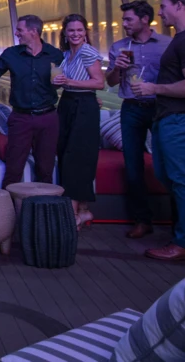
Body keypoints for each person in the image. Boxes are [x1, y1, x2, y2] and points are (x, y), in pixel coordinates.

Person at [131, 0, 185, 262]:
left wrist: (153, 88)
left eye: (163, 6)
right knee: (169, 177)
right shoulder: (182, 40)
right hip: (171, 118)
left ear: (180, 6)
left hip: (180, 119)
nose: (158, 12)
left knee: (183, 181)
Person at [0, 15, 64, 189]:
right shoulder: (11, 54)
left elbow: (71, 78)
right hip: (21, 119)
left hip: (48, 118)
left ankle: (42, 213)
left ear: (34, 32)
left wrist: (92, 96)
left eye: (20, 30)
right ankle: (10, 213)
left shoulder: (55, 55)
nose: (16, 33)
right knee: (13, 170)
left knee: (46, 169)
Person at [106, 0, 171, 239]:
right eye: (123, 20)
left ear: (145, 19)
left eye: (128, 19)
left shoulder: (168, 45)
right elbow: (111, 82)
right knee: (133, 167)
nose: (123, 24)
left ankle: (179, 222)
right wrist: (118, 69)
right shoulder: (119, 47)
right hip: (131, 109)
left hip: (161, 108)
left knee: (167, 163)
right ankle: (142, 220)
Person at [51, 14, 105, 230]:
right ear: (64, 32)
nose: (75, 34)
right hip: (68, 104)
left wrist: (69, 82)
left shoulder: (88, 52)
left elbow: (99, 83)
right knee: (66, 153)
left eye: (79, 30)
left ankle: (73, 215)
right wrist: (57, 83)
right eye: (71, 30)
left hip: (83, 106)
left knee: (76, 156)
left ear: (85, 33)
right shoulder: (66, 54)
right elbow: (60, 83)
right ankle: (83, 211)